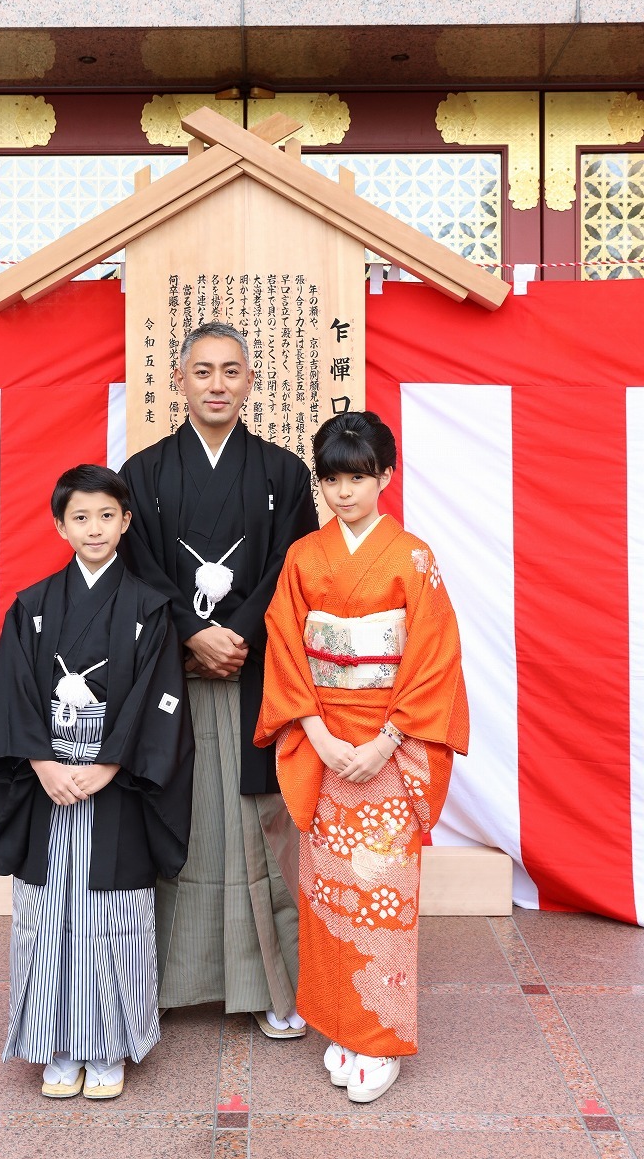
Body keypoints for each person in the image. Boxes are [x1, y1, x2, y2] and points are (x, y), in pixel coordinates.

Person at [255, 410, 469, 1101]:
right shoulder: (304, 557)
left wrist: (385, 739)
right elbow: (287, 648)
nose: (344, 492)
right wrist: (316, 734)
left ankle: (380, 1036)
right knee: (328, 893)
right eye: (332, 479)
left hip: (388, 747)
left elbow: (433, 658)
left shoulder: (414, 558)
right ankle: (341, 1025)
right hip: (325, 745)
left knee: (379, 895)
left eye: (357, 477)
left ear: (385, 476)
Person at [0, 464, 194, 1100]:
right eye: (80, 517)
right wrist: (41, 763)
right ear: (60, 525)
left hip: (114, 783)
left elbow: (159, 696)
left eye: (106, 516)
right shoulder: (33, 607)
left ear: (126, 521)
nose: (94, 529)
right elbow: (11, 692)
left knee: (113, 913)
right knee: (49, 911)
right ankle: (51, 1049)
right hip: (47, 781)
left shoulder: (151, 609)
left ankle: (109, 1047)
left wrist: (108, 764)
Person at [119, 320, 318, 1037]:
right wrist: (190, 631)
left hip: (253, 672)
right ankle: (165, 983)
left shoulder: (282, 472)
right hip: (175, 677)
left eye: (231, 371)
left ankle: (271, 982)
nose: (217, 384)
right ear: (179, 380)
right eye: (202, 372)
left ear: (251, 382)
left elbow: (293, 567)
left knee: (256, 830)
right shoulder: (142, 473)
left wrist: (237, 631)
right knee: (179, 822)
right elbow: (134, 564)